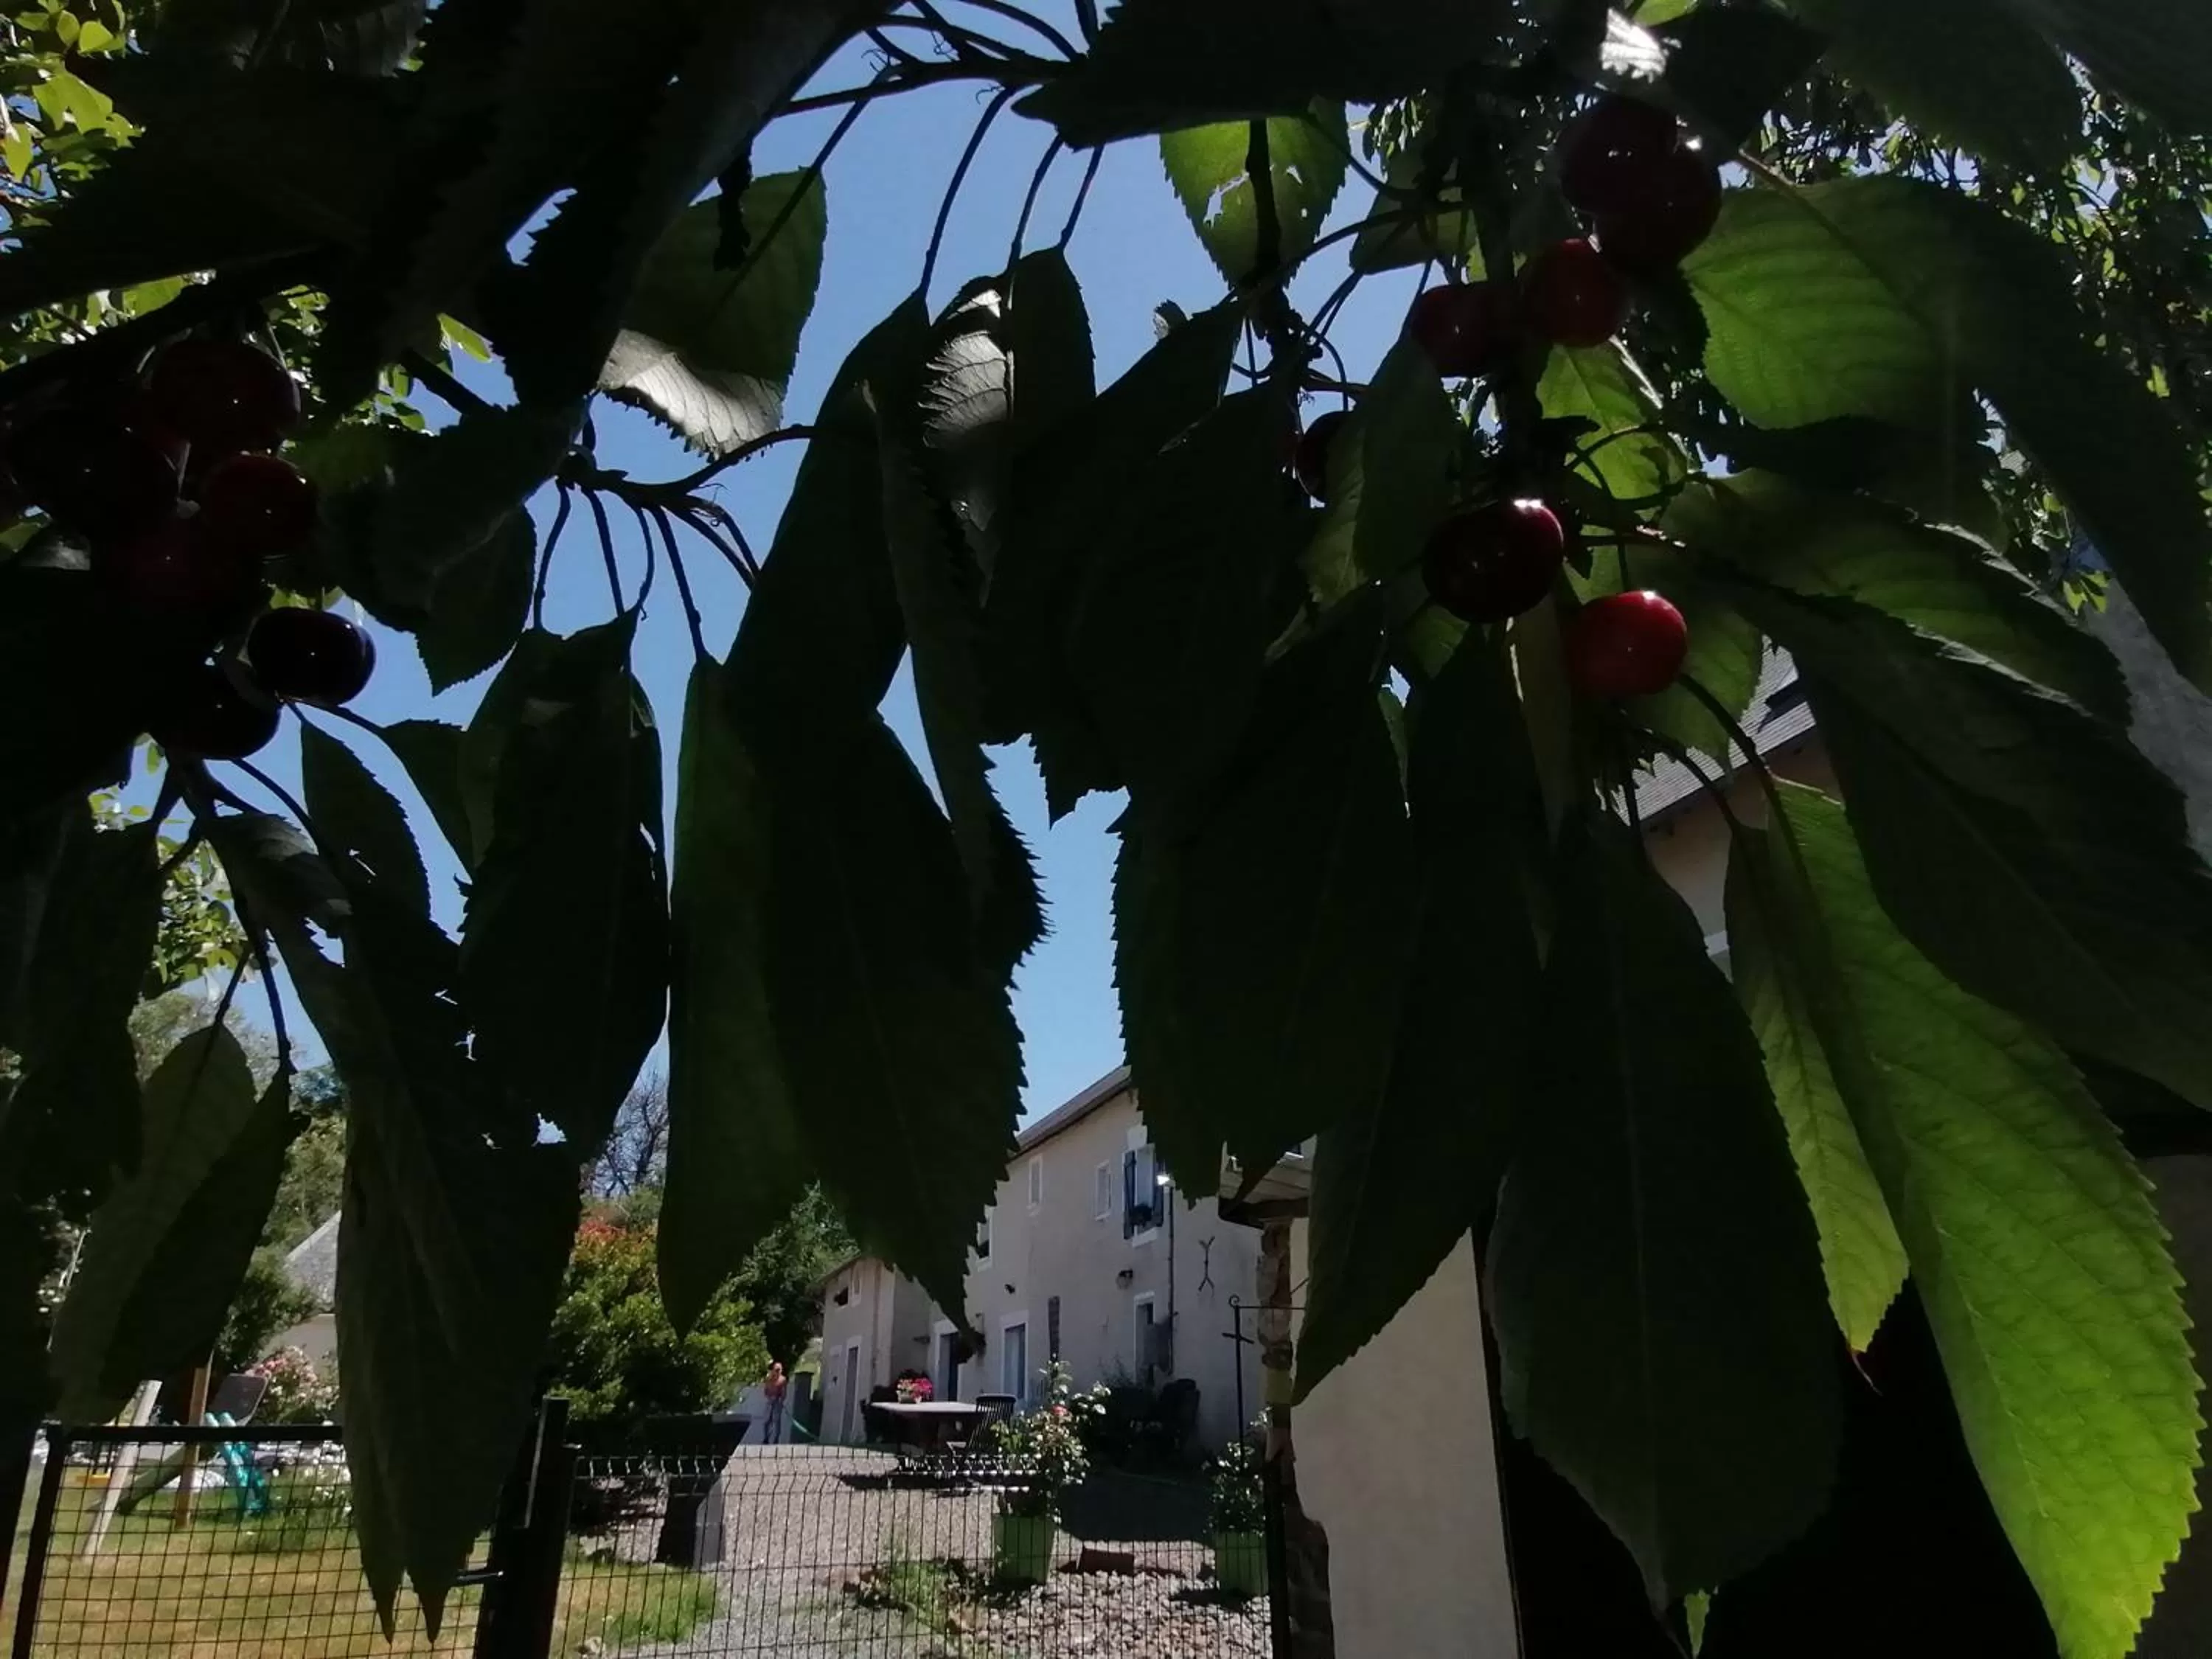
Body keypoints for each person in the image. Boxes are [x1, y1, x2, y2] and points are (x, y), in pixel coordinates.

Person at [762, 1360, 787, 1444]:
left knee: (776, 1420)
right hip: (769, 1402)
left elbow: (784, 1393)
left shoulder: (782, 1380)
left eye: (779, 1370)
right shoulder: (769, 1379)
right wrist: (769, 1398)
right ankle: (766, 1438)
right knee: (766, 1421)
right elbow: (765, 1391)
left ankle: (776, 1438)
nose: (777, 1371)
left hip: (777, 1402)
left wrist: (780, 1400)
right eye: (776, 1370)